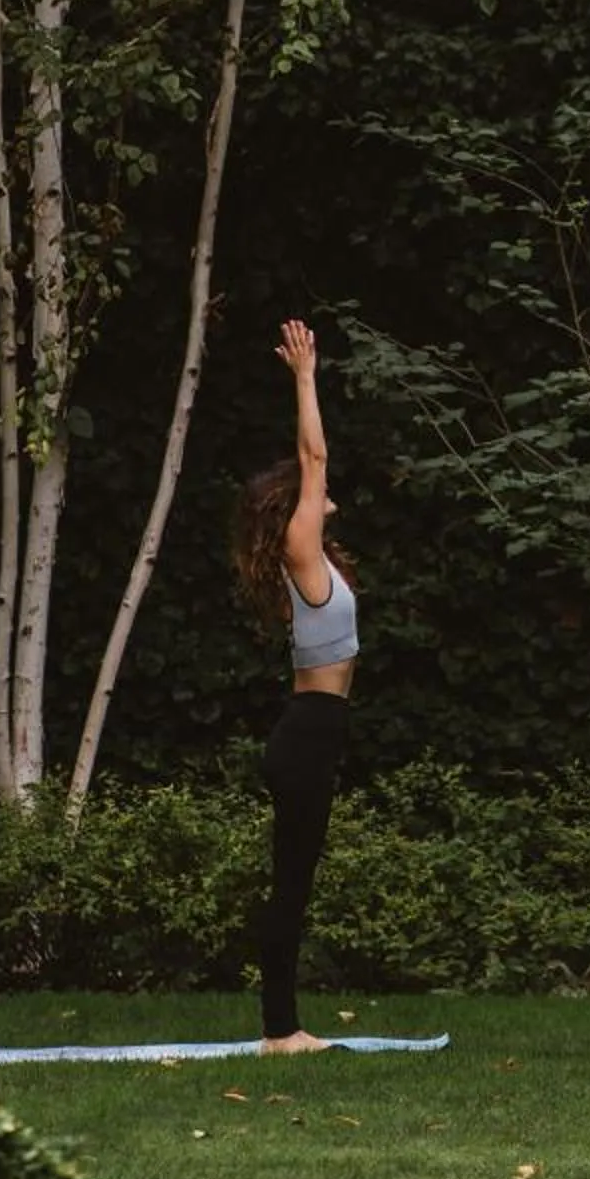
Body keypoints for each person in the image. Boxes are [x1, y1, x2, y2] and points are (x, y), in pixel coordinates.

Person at [232, 319, 358, 1052]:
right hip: (308, 732)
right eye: (311, 488)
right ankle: (280, 1030)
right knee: (292, 884)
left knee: (295, 881)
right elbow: (315, 454)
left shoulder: (315, 560)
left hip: (313, 732)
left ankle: (282, 1025)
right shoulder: (299, 547)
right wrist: (306, 377)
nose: (323, 487)